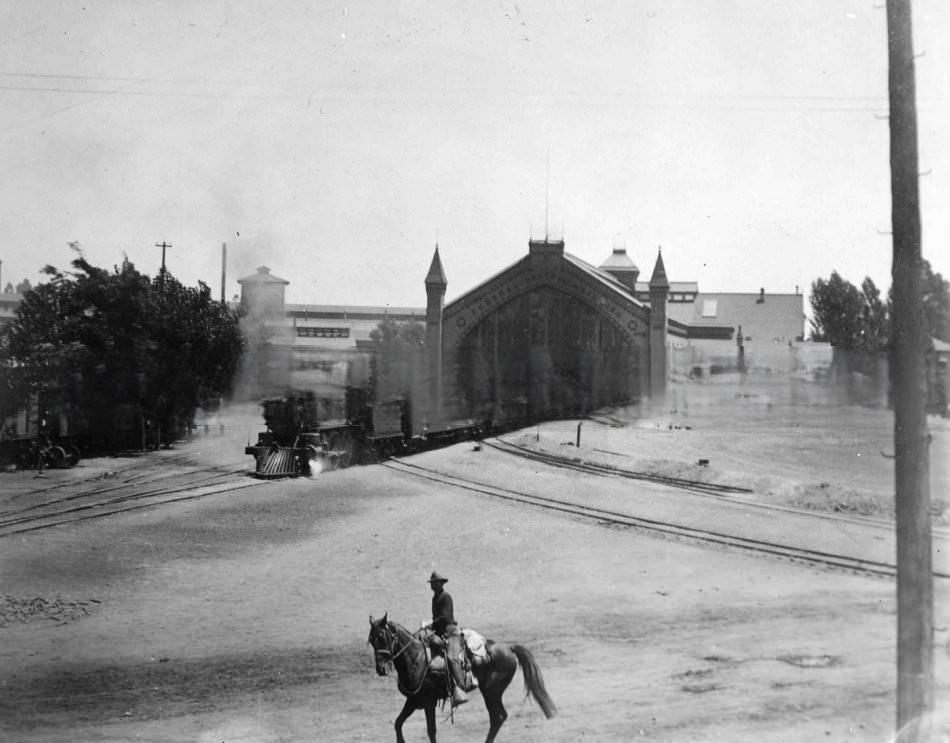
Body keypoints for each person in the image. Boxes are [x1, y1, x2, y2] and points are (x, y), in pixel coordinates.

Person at [422, 571, 469, 706]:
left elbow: (446, 617)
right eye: (432, 583)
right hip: (440, 632)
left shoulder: (445, 597)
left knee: (451, 657)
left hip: (451, 632)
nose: (432, 585)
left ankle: (460, 688)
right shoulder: (435, 598)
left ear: (441, 583)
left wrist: (430, 624)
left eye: (435, 583)